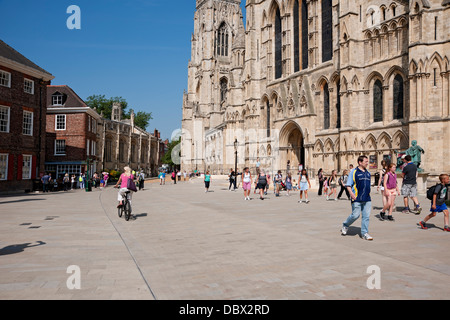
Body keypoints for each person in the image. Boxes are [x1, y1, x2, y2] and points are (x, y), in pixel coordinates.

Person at [341, 155, 374, 241]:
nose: (367, 163)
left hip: (367, 198)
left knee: (366, 216)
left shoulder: (368, 173)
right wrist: (351, 193)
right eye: (366, 161)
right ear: (360, 162)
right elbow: (348, 185)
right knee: (355, 215)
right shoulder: (354, 172)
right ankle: (345, 225)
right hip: (356, 197)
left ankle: (364, 233)